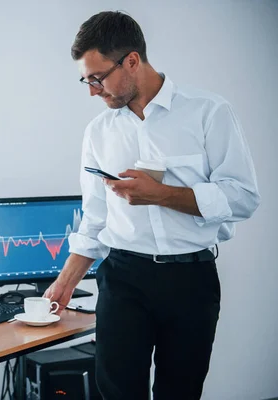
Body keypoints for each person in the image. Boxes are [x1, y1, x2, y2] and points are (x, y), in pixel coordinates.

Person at [44, 11, 260, 400]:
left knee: (181, 392)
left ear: (132, 60)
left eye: (98, 78)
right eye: (86, 80)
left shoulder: (209, 112)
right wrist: (64, 283)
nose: (92, 90)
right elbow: (94, 218)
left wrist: (160, 195)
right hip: (123, 278)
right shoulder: (98, 133)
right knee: (117, 393)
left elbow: (243, 197)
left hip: (191, 280)